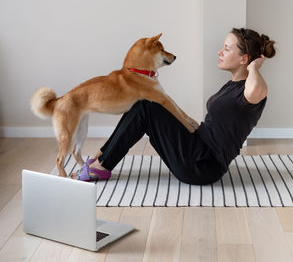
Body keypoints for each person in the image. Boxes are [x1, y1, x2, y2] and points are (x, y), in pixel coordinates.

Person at [71, 28, 276, 185]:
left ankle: (102, 164)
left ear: (244, 59)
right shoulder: (233, 85)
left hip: (203, 165)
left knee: (145, 107)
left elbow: (255, 90)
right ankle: (101, 157)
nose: (220, 51)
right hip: (197, 150)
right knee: (143, 103)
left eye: (227, 48)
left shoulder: (253, 90)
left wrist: (255, 67)